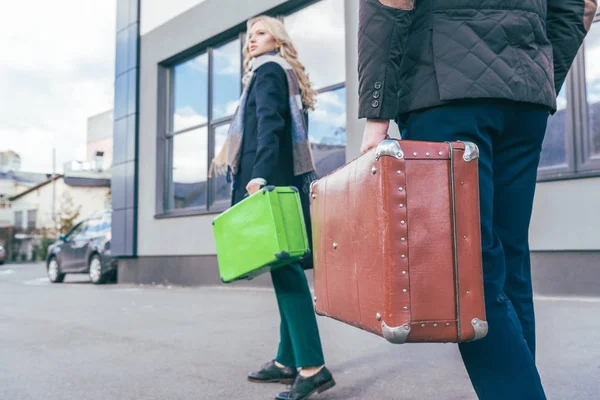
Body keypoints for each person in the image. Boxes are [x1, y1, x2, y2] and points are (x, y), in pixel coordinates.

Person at [357, 0, 597, 399]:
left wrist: (377, 114)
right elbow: (582, 6)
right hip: (525, 100)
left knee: (467, 273)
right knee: (509, 259)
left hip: (446, 89)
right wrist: (537, 77)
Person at [209, 15, 335, 400]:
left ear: (277, 39)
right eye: (249, 35)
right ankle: (286, 359)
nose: (252, 40)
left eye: (260, 32)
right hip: (284, 179)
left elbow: (270, 125)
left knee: (286, 271)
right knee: (287, 268)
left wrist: (260, 175)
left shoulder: (268, 71)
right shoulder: (282, 74)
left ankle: (312, 367)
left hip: (269, 180)